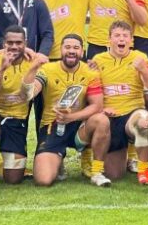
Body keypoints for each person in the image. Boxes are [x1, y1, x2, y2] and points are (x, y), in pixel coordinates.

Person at [27, 35, 112, 187]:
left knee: (102, 120)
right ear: (60, 50)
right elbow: (29, 94)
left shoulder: (90, 72)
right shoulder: (47, 69)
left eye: (76, 48)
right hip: (52, 125)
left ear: (82, 51)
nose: (71, 51)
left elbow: (97, 106)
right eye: (67, 47)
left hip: (78, 127)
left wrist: (71, 117)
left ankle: (97, 172)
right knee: (43, 180)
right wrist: (33, 68)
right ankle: (57, 161)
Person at [0, 25, 43, 195]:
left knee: (13, 179)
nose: (14, 46)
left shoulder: (33, 62)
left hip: (17, 119)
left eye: (18, 43)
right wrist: (2, 69)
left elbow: (29, 95)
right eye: (10, 43)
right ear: (3, 43)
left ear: (25, 43)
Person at [92, 21, 148, 184]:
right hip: (110, 116)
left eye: (125, 36)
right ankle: (117, 158)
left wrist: (143, 70)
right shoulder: (98, 60)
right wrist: (102, 109)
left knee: (144, 123)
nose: (121, 39)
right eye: (117, 35)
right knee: (114, 174)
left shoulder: (140, 58)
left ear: (131, 40)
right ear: (109, 39)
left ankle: (143, 169)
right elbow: (92, 91)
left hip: (132, 113)